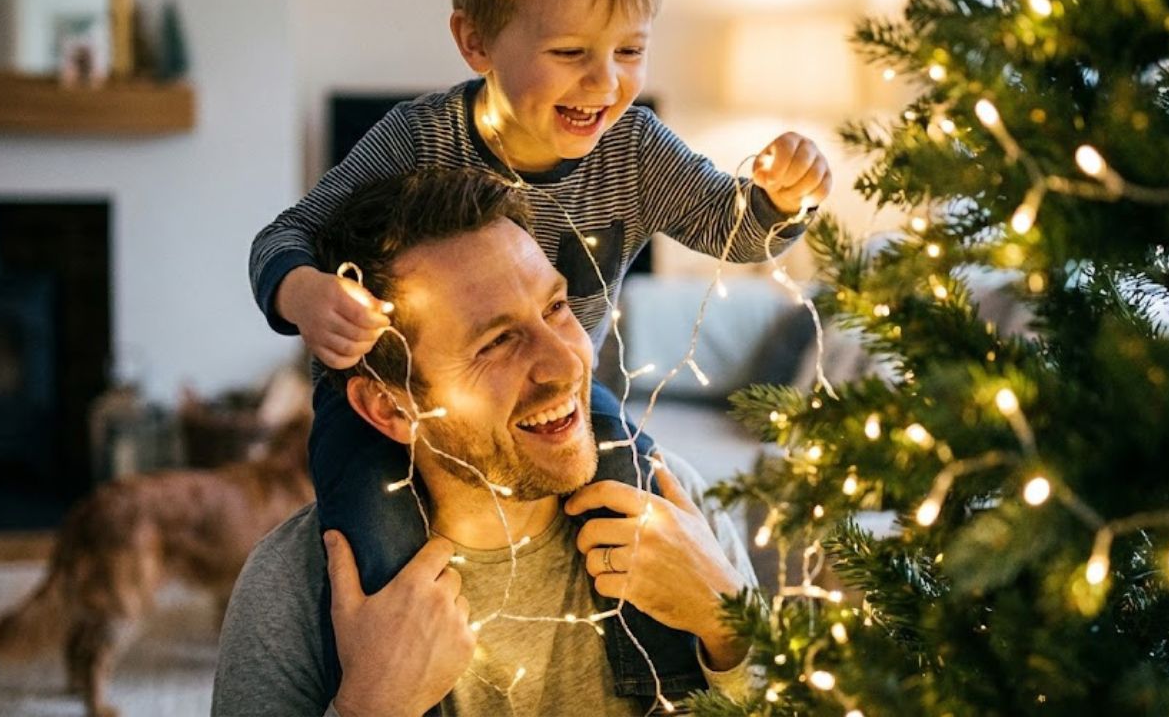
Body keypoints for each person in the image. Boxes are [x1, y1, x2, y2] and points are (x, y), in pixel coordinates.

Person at [247, 0, 829, 692]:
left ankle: (648, 683)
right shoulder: (419, 138)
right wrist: (303, 289)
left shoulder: (637, 151)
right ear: (476, 42)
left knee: (633, 493)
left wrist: (783, 199)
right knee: (374, 544)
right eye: (570, 53)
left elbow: (735, 229)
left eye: (630, 50)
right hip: (381, 408)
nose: (605, 82)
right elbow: (288, 233)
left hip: (580, 400)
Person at [216, 168, 762, 717]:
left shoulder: (675, 510)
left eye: (556, 308)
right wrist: (372, 706)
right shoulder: (294, 590)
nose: (565, 363)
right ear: (390, 407)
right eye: (497, 342)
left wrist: (729, 626)